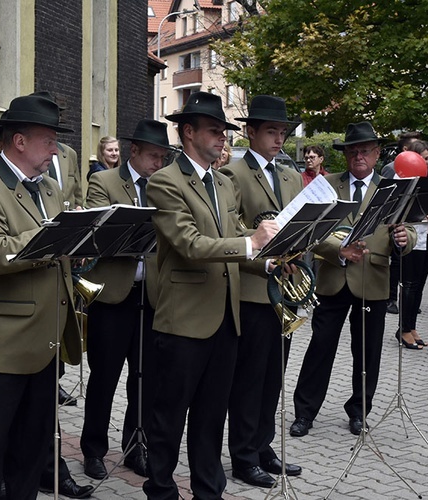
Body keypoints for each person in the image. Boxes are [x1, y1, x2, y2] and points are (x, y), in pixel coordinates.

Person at [142, 92, 279, 500]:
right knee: (169, 418)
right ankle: (161, 489)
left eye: (224, 131)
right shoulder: (165, 181)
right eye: (214, 131)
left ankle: (208, 490)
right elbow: (189, 244)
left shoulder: (224, 182)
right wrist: (251, 244)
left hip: (225, 318)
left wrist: (269, 263)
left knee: (211, 417)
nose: (222, 138)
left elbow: (234, 239)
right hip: (184, 319)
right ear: (188, 132)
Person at [0, 94, 82, 500]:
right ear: (19, 142)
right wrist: (56, 234)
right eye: (48, 140)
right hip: (1, 344)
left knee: (31, 449)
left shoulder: (49, 189)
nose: (56, 150)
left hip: (44, 341)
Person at [289, 122, 414, 439]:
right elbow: (308, 233)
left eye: (365, 150)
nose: (359, 156)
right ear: (345, 155)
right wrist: (338, 251)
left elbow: (409, 231)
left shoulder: (391, 189)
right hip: (332, 280)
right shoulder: (325, 185)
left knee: (368, 351)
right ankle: (304, 413)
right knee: (319, 349)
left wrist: (404, 238)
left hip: (371, 283)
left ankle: (359, 412)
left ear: (376, 154)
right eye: (353, 151)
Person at [80, 119, 171, 480]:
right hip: (114, 295)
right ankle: (93, 450)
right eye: (152, 156)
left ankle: (136, 445)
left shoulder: (163, 185)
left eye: (163, 157)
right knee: (104, 377)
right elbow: (100, 232)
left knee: (145, 378)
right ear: (134, 152)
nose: (157, 164)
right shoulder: (104, 181)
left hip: (152, 295)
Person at [220, 95, 304, 488]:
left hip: (284, 289)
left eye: (283, 132)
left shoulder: (289, 174)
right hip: (253, 287)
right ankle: (243, 454)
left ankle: (263, 444)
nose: (279, 138)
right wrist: (265, 259)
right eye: (271, 131)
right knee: (249, 377)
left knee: (274, 374)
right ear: (250, 132)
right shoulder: (233, 174)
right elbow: (232, 229)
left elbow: (297, 224)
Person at [394, 140, 428, 349]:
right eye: (422, 158)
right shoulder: (400, 178)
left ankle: (412, 326)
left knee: (419, 285)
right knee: (409, 285)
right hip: (410, 238)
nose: (425, 163)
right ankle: (402, 329)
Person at [382, 131, 421, 314]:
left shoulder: (417, 167)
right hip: (391, 224)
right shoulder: (391, 168)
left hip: (407, 227)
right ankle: (391, 298)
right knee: (396, 265)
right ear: (405, 149)